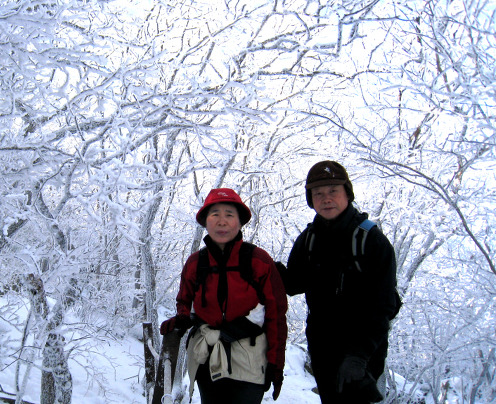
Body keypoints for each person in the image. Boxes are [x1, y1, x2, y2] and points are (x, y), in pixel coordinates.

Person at [277, 161, 401, 404]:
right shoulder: (309, 239)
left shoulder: (371, 240)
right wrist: (259, 263)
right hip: (323, 348)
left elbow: (385, 304)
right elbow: (293, 283)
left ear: (347, 193)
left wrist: (359, 356)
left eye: (333, 191)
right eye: (318, 193)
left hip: (361, 352)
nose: (326, 199)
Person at [160, 188, 288, 403]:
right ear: (205, 222)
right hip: (208, 355)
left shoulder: (258, 260)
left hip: (250, 357)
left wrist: (276, 364)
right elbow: (184, 300)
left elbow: (276, 314)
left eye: (229, 214)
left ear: (240, 222)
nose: (222, 221)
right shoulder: (196, 263)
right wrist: (182, 317)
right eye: (215, 214)